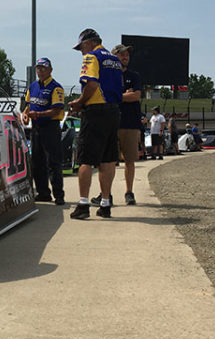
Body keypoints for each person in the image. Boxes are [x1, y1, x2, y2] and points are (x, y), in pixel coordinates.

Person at [67, 29, 123, 219]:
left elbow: (91, 84)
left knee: (85, 159)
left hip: (95, 112)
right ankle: (105, 204)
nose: (81, 52)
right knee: (107, 159)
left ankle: (83, 204)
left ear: (89, 43)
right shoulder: (115, 60)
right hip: (113, 110)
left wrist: (79, 103)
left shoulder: (92, 57)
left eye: (81, 47)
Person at [22, 57, 66, 205]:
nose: (40, 71)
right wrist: (25, 114)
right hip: (35, 129)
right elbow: (28, 105)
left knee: (53, 162)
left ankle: (58, 195)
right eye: (38, 69)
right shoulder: (32, 86)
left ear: (50, 70)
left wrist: (38, 115)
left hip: (51, 128)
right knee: (36, 162)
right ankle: (43, 193)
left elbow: (57, 110)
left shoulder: (56, 87)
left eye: (43, 68)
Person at [107, 43, 141, 205]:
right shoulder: (107, 75)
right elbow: (106, 96)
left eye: (127, 54)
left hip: (130, 123)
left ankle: (129, 192)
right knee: (109, 161)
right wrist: (124, 94)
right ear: (114, 56)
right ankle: (106, 194)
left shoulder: (134, 76)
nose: (125, 57)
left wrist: (118, 96)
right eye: (121, 54)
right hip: (112, 122)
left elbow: (136, 96)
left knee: (130, 160)